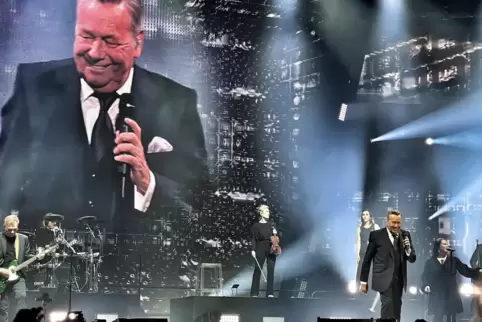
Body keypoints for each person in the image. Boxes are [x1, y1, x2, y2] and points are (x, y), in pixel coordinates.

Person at [0, 0, 208, 229]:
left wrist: (148, 182)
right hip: (48, 257)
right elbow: (4, 183)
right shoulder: (33, 86)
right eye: (86, 36)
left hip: (135, 259)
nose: (95, 53)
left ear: (138, 43)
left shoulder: (178, 102)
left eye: (110, 40)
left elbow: (199, 201)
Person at [359, 210, 416, 321]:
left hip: (398, 279)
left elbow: (412, 259)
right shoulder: (376, 235)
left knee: (397, 305)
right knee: (387, 303)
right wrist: (363, 281)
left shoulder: (405, 235)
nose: (396, 225)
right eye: (393, 222)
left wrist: (408, 249)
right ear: (387, 221)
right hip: (382, 277)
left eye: (398, 222)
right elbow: (367, 259)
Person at [422, 238, 481, 322]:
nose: (447, 245)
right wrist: (426, 285)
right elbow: (425, 276)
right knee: (438, 316)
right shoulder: (430, 262)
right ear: (438, 247)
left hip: (451, 293)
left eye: (447, 244)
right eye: (444, 244)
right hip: (437, 293)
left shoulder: (453, 260)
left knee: (451, 316)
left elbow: (465, 270)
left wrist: (478, 272)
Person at [0, 214, 31, 322]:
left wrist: (41, 257)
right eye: (9, 230)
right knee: (3, 307)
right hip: (1, 277)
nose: (12, 232)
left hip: (18, 275)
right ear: (4, 227)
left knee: (21, 296)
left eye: (15, 229)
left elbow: (28, 256)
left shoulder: (23, 239)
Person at [250, 204, 278, 298]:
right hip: (260, 247)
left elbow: (276, 237)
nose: (268, 213)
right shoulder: (256, 226)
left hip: (271, 247)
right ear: (261, 213)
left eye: (268, 211)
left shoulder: (272, 224)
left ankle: (270, 293)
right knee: (258, 270)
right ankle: (254, 293)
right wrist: (253, 250)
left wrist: (275, 233)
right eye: (266, 211)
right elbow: (254, 239)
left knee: (271, 271)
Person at [356, 210, 380, 284]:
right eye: (363, 214)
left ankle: (372, 292)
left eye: (367, 214)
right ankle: (360, 291)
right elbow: (358, 242)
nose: (365, 216)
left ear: (370, 216)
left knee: (372, 272)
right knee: (361, 272)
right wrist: (357, 254)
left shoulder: (375, 226)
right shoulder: (359, 228)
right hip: (363, 253)